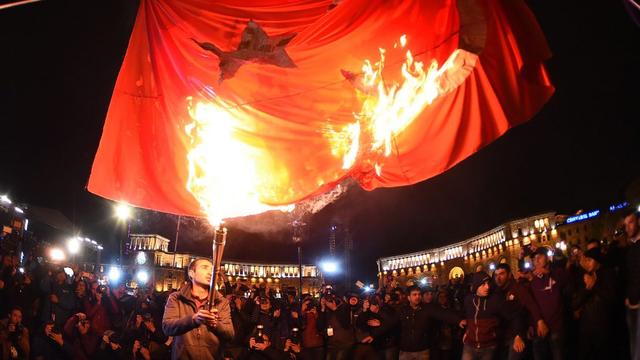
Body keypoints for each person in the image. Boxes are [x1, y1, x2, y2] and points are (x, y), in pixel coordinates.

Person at [162, 258, 234, 359]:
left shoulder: (221, 302)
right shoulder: (176, 298)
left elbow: (230, 334)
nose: (210, 273)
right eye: (205, 268)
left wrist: (215, 324)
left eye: (212, 270)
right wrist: (193, 320)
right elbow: (167, 327)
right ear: (191, 273)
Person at [462, 272, 524, 360]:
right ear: (476, 286)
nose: (487, 287)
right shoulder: (468, 300)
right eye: (483, 284)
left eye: (488, 283)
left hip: (488, 348)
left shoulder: (495, 300)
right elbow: (468, 317)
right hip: (469, 346)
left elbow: (515, 314)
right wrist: (467, 331)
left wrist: (518, 335)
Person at [494, 263, 547, 360]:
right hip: (503, 336)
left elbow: (530, 304)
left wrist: (539, 321)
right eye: (496, 275)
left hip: (518, 334)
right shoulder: (497, 292)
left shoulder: (517, 289)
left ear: (509, 275)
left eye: (502, 274)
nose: (498, 277)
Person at [571, 247, 616, 359]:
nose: (586, 263)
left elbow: (612, 298)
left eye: (589, 260)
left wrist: (594, 285)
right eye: (586, 260)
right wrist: (587, 288)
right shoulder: (585, 276)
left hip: (604, 328)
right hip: (587, 328)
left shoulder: (608, 274)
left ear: (597, 261)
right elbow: (575, 303)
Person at [398, 285, 464, 360]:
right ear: (408, 297)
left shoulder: (427, 308)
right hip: (406, 351)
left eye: (419, 294)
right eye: (414, 294)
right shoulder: (402, 310)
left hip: (422, 350)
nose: (417, 297)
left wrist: (458, 320)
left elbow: (442, 314)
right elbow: (392, 321)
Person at [529, 247, 568, 360]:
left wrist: (549, 273)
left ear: (547, 257)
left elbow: (567, 279)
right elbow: (532, 305)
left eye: (539, 257)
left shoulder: (557, 272)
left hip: (556, 327)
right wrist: (533, 324)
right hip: (540, 329)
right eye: (534, 259)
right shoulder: (533, 281)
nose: (536, 260)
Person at [624, 210, 640, 360]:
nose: (628, 227)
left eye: (631, 222)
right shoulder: (631, 249)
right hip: (632, 304)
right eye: (625, 224)